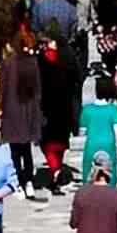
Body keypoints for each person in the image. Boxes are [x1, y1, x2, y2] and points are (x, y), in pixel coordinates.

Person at [37, 18, 83, 192]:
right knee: (61, 142)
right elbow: (79, 77)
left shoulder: (42, 58)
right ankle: (57, 167)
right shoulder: (68, 54)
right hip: (65, 105)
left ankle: (55, 170)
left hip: (47, 106)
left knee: (47, 142)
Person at [0, 39, 43, 199]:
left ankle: (18, 181)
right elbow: (38, 90)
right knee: (26, 149)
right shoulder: (33, 64)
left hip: (12, 111)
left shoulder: (7, 64)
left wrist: (0, 109)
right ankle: (29, 180)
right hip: (28, 111)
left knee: (15, 151)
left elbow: (2, 89)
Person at [78, 73, 117, 184]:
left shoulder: (87, 109)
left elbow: (82, 132)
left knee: (90, 173)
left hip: (91, 144)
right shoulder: (113, 109)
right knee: (109, 175)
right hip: (109, 144)